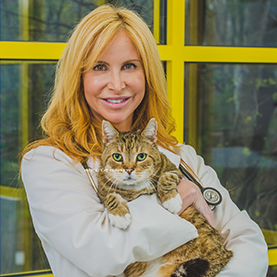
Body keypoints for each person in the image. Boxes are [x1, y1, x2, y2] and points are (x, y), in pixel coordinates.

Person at [21, 5, 268, 277]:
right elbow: (101, 252)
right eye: (100, 67)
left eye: (129, 66)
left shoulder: (180, 155)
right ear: (78, 78)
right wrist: (174, 198)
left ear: (147, 74)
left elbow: (247, 241)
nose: (116, 84)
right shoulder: (49, 163)